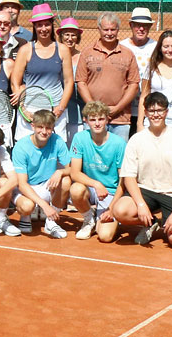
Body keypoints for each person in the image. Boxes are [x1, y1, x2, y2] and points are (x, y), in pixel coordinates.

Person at [111, 92, 172, 250]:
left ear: (166, 112)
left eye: (160, 110)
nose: (156, 115)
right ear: (145, 112)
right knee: (120, 210)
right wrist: (141, 205)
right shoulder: (136, 139)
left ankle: (170, 220)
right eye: (151, 111)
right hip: (147, 192)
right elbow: (129, 177)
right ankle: (153, 222)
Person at [10, 4, 73, 142]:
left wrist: (60, 108)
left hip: (55, 109)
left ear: (52, 25)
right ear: (34, 27)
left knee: (55, 155)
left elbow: (69, 82)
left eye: (47, 24)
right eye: (39, 25)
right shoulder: (25, 50)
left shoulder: (62, 50)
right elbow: (15, 81)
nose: (43, 29)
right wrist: (24, 109)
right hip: (30, 109)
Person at [75, 12, 139, 140]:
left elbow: (134, 85)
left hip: (120, 120)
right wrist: (95, 109)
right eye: (106, 29)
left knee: (119, 157)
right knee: (92, 156)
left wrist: (117, 108)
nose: (109, 33)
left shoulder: (128, 54)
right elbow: (81, 82)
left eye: (112, 29)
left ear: (118, 30)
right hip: (93, 119)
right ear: (99, 29)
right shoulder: (87, 53)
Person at [68, 101, 126, 242]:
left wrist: (112, 208)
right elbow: (74, 173)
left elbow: (123, 181)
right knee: (75, 189)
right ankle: (89, 219)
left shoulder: (119, 143)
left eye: (100, 119)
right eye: (92, 119)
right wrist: (96, 184)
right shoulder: (79, 138)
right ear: (86, 121)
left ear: (107, 119)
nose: (97, 123)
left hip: (111, 193)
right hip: (92, 189)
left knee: (105, 237)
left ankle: (104, 217)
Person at [11, 109, 71, 238]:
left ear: (53, 128)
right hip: (25, 189)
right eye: (40, 127)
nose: (44, 132)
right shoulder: (21, 147)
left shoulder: (57, 140)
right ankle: (25, 216)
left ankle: (51, 222)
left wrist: (60, 172)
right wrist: (45, 206)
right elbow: (22, 184)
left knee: (66, 181)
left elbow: (71, 169)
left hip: (46, 186)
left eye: (48, 128)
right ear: (32, 126)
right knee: (27, 207)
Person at [122, 7, 158, 128]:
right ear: (131, 25)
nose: (141, 29)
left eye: (145, 25)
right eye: (137, 25)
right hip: (124, 109)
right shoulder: (121, 46)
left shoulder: (157, 47)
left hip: (149, 110)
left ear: (150, 27)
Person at [58, 18, 84, 145]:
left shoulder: (83, 57)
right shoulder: (55, 55)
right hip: (58, 114)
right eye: (66, 34)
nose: (70, 38)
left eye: (73, 35)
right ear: (61, 36)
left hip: (78, 115)